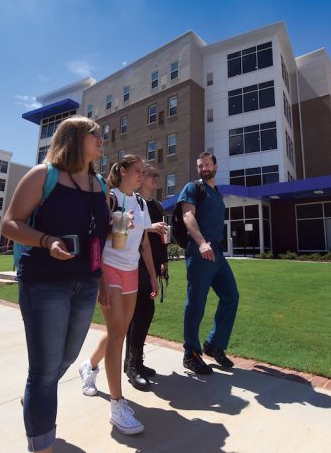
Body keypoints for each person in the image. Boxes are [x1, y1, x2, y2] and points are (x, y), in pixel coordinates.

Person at [1, 116, 108, 453]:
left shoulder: (100, 185)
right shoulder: (42, 175)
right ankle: (42, 444)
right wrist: (47, 240)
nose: (102, 140)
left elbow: (99, 235)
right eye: (96, 135)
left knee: (68, 356)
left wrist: (101, 275)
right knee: (45, 371)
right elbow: (10, 223)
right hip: (44, 283)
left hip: (86, 283)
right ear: (75, 138)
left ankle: (34, 397)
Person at [78, 154, 159, 435]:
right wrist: (99, 275)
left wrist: (152, 276)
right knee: (116, 333)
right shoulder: (109, 197)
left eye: (143, 172)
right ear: (123, 172)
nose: (141, 175)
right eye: (137, 171)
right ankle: (117, 404)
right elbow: (95, 238)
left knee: (119, 332)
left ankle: (89, 366)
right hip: (110, 268)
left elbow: (145, 243)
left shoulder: (139, 203)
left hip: (132, 272)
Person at [177, 151, 239, 375]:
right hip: (200, 249)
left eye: (207, 164)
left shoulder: (216, 193)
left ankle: (214, 344)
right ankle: (190, 353)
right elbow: (187, 216)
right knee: (196, 302)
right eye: (200, 165)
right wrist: (201, 242)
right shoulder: (194, 188)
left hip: (218, 252)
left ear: (215, 165)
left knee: (231, 296)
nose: (203, 168)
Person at [124, 163, 169, 389]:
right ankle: (132, 364)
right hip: (135, 262)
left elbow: (158, 241)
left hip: (151, 263)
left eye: (154, 175)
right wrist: (150, 227)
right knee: (139, 313)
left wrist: (164, 263)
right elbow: (135, 230)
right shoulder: (135, 201)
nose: (154, 178)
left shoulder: (157, 205)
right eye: (150, 174)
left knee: (142, 312)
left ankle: (133, 362)